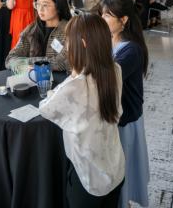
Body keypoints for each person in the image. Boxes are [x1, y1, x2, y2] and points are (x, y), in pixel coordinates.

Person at [39, 13, 125, 208]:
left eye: (69, 40)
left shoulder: (76, 86)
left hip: (88, 177)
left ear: (83, 43)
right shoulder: (115, 70)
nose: (68, 45)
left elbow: (45, 108)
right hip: (115, 166)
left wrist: (75, 73)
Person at [100, 0, 149, 208]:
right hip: (116, 116)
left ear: (124, 20)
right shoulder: (110, 41)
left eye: (107, 16)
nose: (103, 20)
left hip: (125, 120)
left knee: (123, 172)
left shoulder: (131, 50)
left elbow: (108, 77)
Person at [5, 0, 72, 71]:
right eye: (38, 4)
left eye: (45, 5)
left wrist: (25, 63)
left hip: (62, 82)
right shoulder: (31, 30)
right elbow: (10, 59)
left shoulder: (69, 30)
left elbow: (62, 63)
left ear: (58, 6)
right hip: (34, 81)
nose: (40, 9)